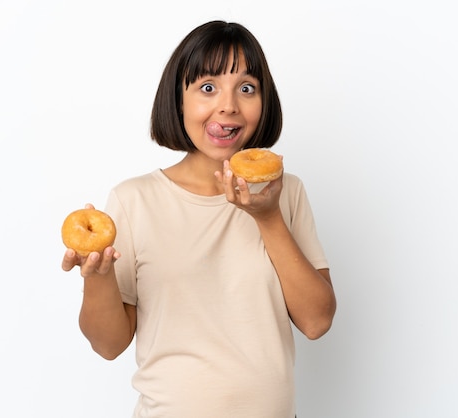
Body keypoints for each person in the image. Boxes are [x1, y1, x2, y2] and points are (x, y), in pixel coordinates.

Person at [61, 20, 336, 418]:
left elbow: (316, 321)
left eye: (246, 88)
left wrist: (269, 218)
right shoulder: (134, 200)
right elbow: (108, 345)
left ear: (265, 101)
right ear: (179, 100)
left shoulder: (285, 192)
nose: (228, 105)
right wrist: (97, 276)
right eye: (207, 88)